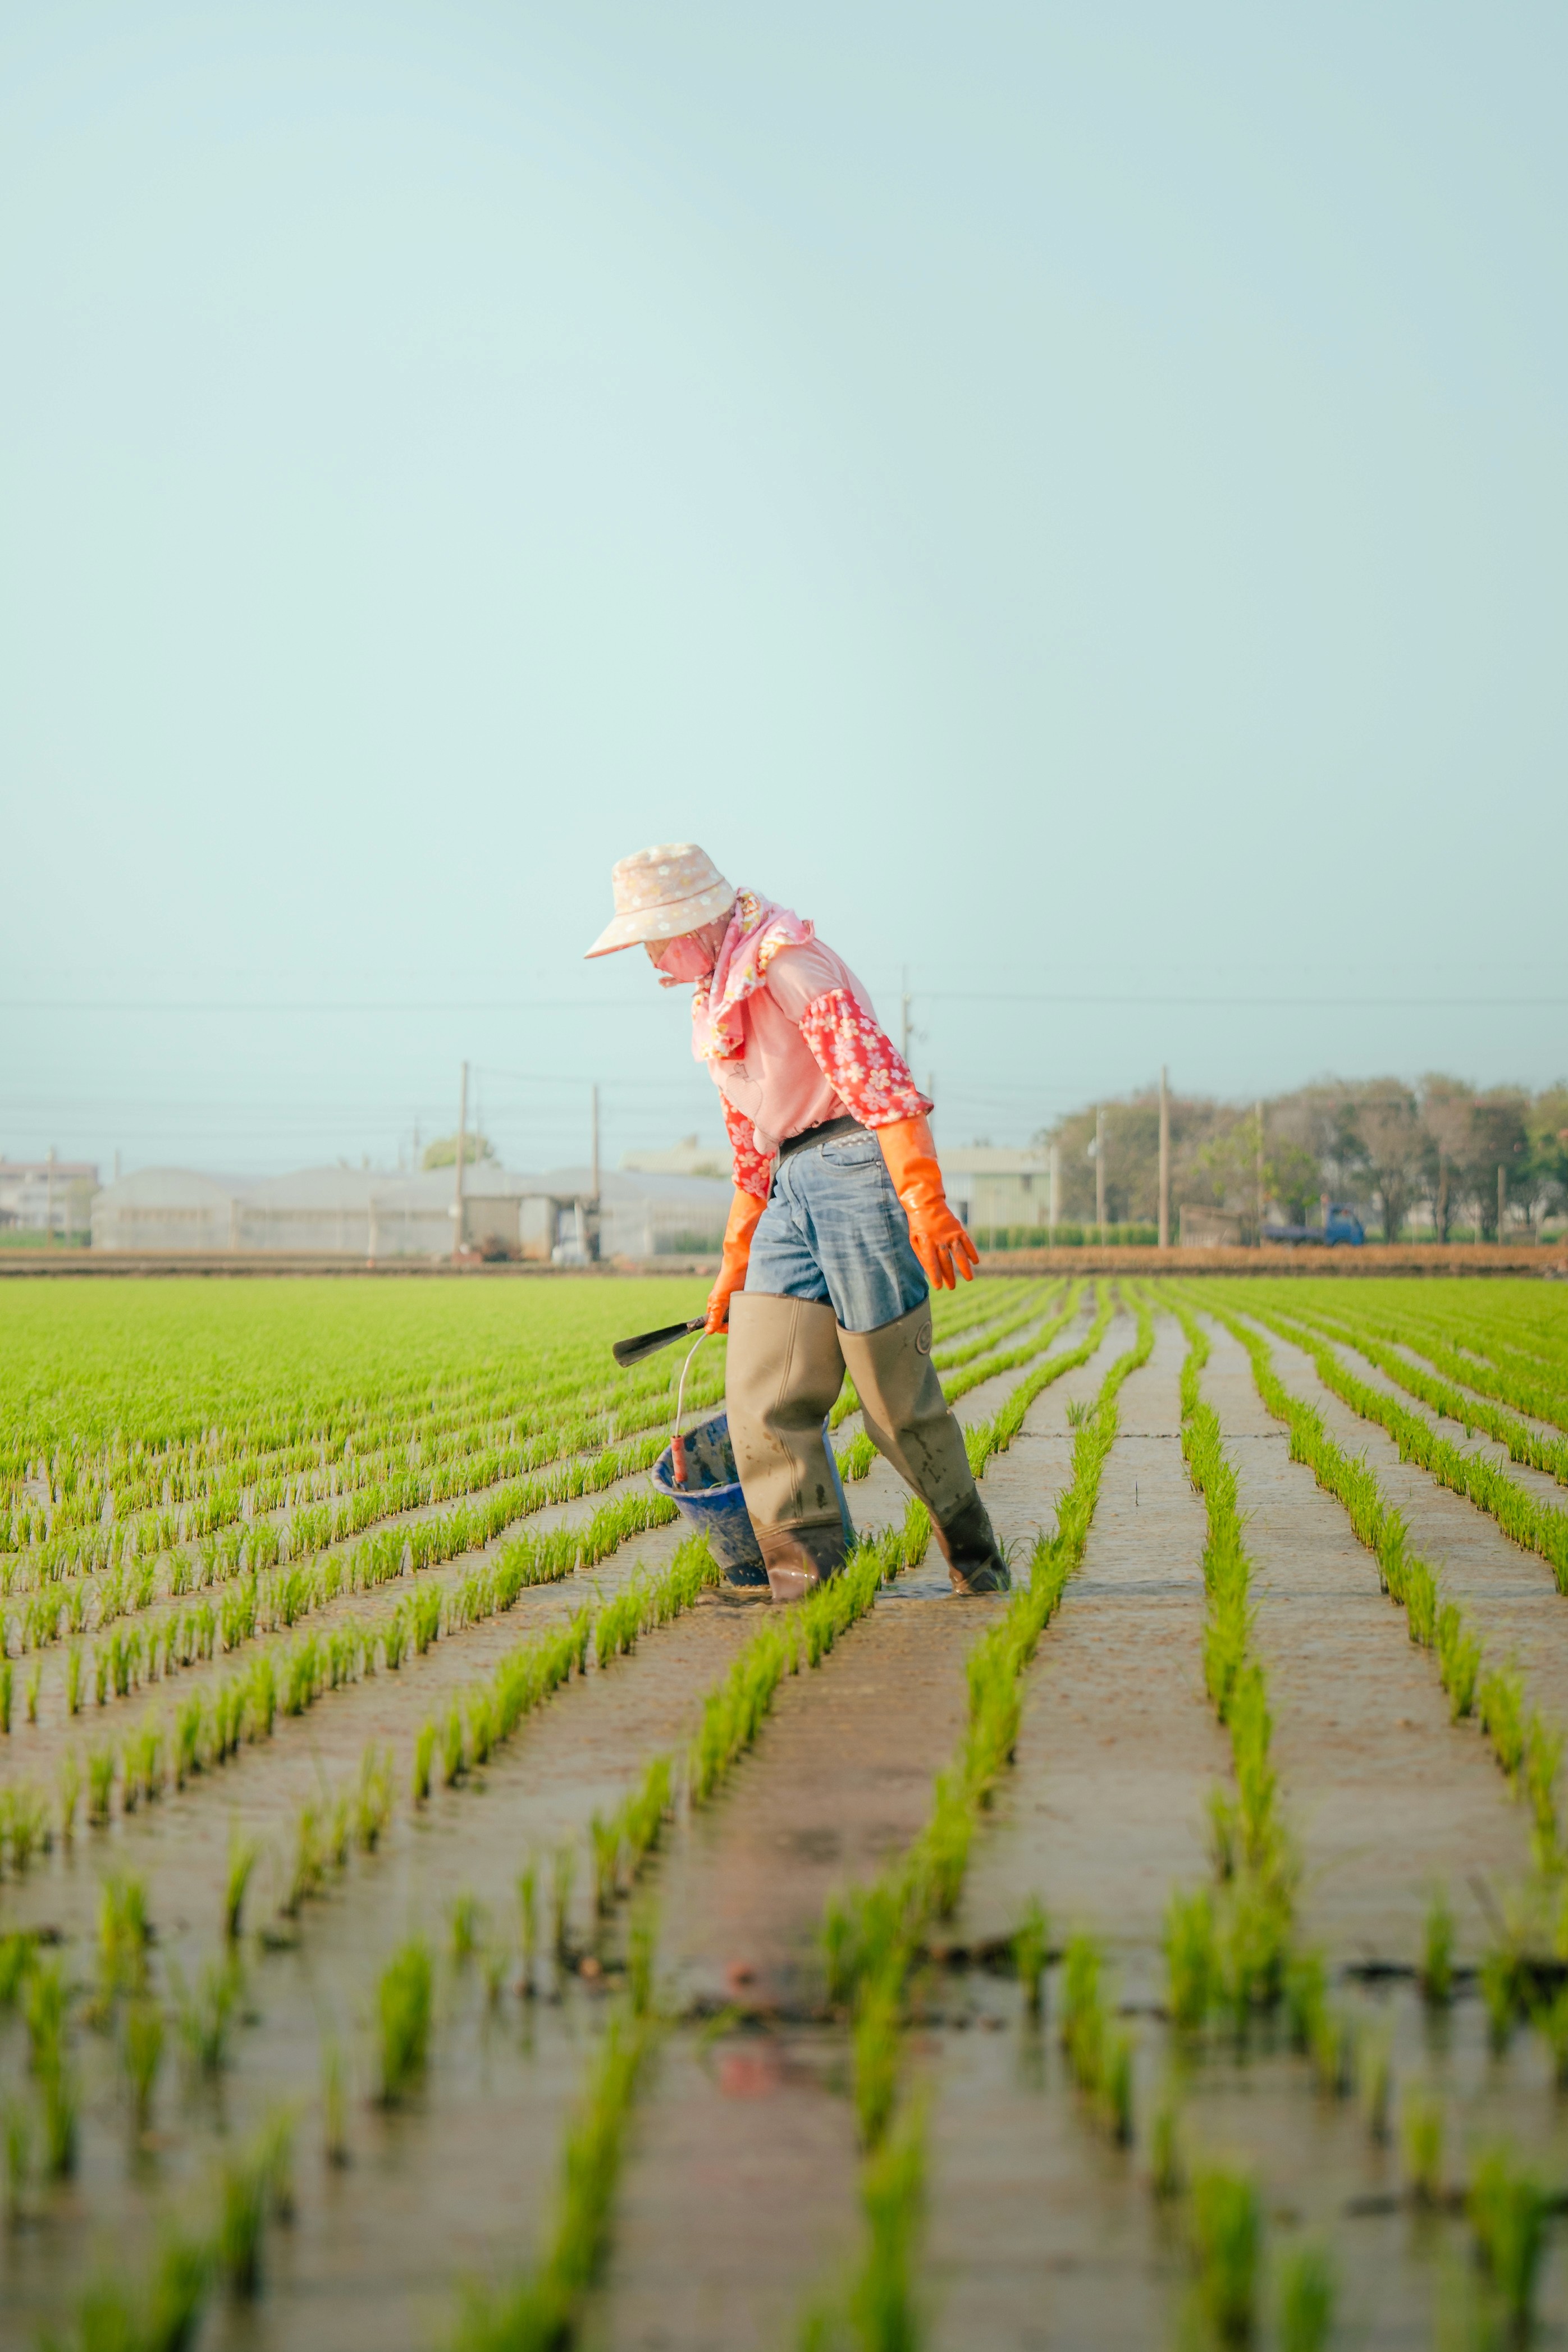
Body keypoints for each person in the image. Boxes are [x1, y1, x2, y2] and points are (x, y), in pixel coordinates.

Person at [586, 842, 1010, 1603]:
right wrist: (732, 1270)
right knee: (762, 1395)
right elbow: (750, 1151)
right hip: (788, 1181)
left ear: (694, 923)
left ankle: (978, 1567)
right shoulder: (715, 1002)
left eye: (653, 937)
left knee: (893, 1398)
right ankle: (809, 1585)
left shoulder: (785, 961)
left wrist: (923, 1197)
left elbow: (877, 1079)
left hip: (854, 1165)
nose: (648, 955)